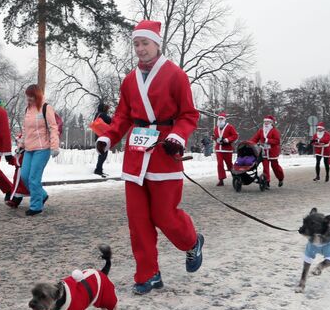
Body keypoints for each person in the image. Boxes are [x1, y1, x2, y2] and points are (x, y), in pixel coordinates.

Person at [95, 20, 203, 295]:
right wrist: (109, 136)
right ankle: (148, 274)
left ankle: (192, 243)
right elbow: (122, 116)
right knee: (138, 220)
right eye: (136, 44)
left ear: (157, 43)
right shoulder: (130, 80)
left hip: (165, 152)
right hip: (136, 155)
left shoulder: (175, 75)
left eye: (145, 43)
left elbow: (189, 114)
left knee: (164, 215)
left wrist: (178, 136)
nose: (141, 49)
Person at [18, 84, 60, 216]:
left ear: (37, 96)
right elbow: (25, 130)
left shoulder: (46, 108)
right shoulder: (27, 110)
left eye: (31, 98)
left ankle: (36, 207)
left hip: (42, 149)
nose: (28, 100)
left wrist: (54, 146)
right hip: (29, 148)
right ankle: (42, 194)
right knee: (24, 176)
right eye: (27, 98)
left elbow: (53, 128)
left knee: (33, 179)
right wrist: (21, 144)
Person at [249, 115, 284, 188]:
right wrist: (250, 143)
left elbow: (277, 141)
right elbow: (255, 138)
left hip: (272, 152)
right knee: (265, 167)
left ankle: (280, 178)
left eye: (268, 122)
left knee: (275, 167)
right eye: (265, 122)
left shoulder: (274, 131)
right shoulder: (261, 130)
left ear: (271, 122)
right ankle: (266, 182)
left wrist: (268, 140)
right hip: (264, 152)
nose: (266, 123)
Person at [213, 112, 238, 186]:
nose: (220, 120)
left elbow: (235, 135)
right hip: (218, 149)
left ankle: (235, 176)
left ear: (224, 119)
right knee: (220, 164)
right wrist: (214, 138)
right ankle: (221, 179)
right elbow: (215, 137)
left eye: (222, 119)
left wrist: (227, 139)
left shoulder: (230, 127)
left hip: (227, 149)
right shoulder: (216, 128)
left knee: (229, 164)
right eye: (219, 119)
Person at [93, 102, 112, 176]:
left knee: (101, 153)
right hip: (103, 137)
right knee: (103, 154)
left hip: (98, 136)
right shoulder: (103, 115)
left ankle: (99, 169)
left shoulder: (97, 115)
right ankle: (98, 170)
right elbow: (110, 121)